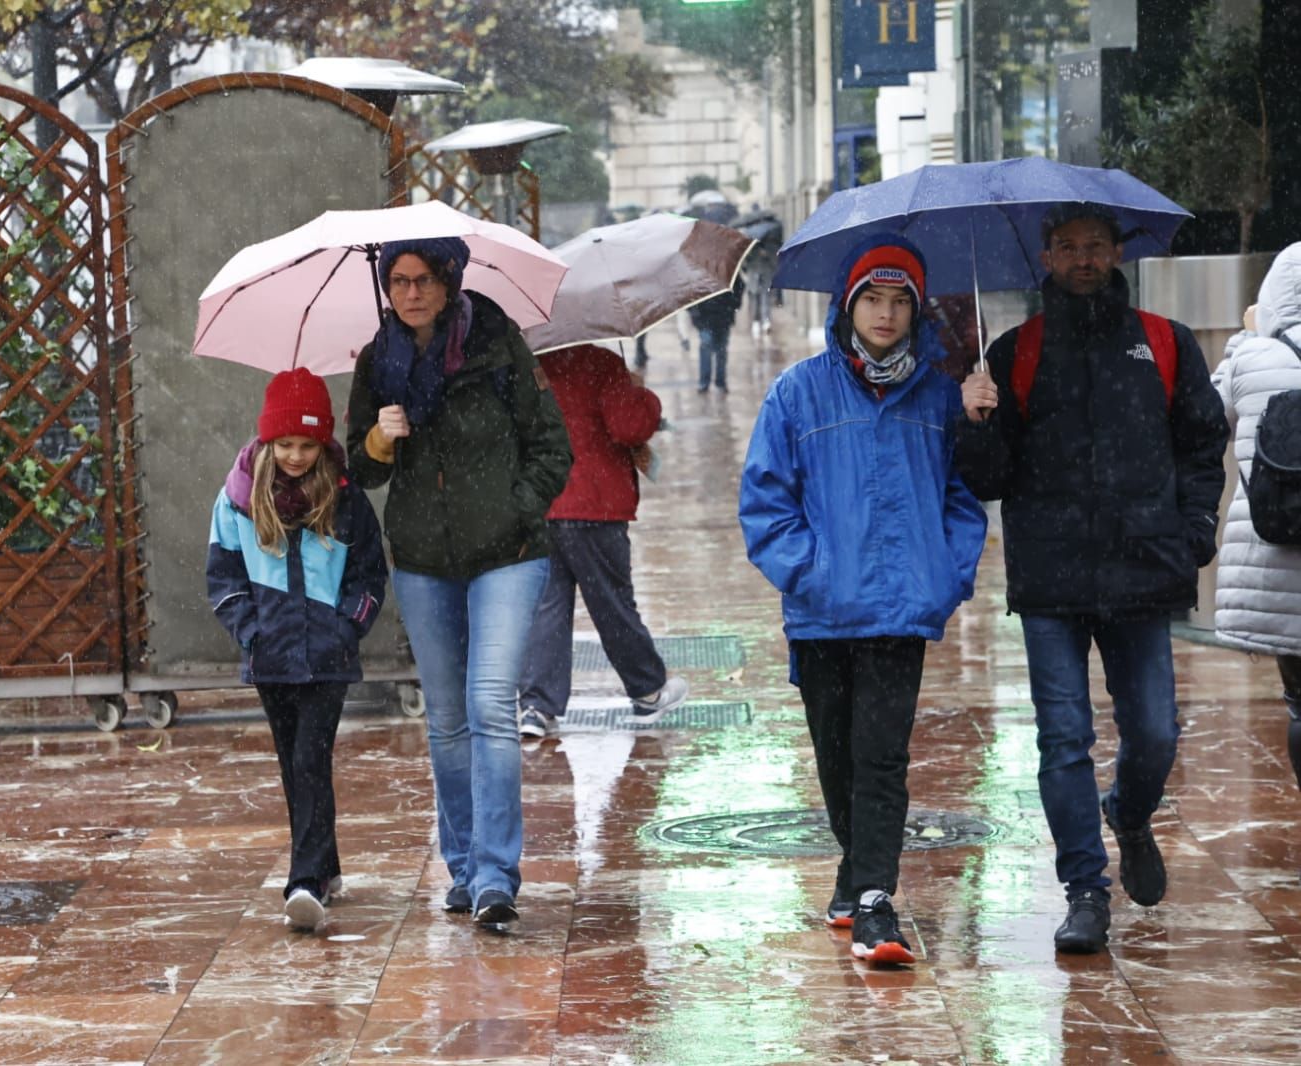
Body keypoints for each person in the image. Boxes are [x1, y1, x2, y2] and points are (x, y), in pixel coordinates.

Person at [956, 202, 1229, 954]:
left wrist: (1194, 530)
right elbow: (989, 479)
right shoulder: (1015, 352)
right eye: (1066, 246)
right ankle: (1083, 890)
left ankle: (1130, 814)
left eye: (1095, 246)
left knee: (1153, 732)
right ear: (1045, 257)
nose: (1082, 258)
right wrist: (974, 421)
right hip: (1049, 578)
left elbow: (1202, 444)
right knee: (1062, 737)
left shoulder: (1164, 343)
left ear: (1115, 253)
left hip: (1143, 569)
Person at [740, 234, 987, 966]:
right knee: (835, 755)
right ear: (848, 306)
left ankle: (875, 902)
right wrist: (807, 571)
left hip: (900, 607)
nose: (885, 314)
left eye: (899, 301)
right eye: (872, 299)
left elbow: (964, 500)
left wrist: (945, 573)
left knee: (881, 758)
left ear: (918, 312)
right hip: (821, 611)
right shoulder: (798, 392)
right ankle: (855, 874)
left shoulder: (941, 398)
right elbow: (765, 501)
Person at [346, 237, 572, 932]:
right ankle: (465, 868)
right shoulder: (378, 362)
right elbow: (360, 469)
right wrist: (381, 439)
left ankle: (498, 877)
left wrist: (515, 505)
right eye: (397, 282)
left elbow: (551, 446)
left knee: (488, 708)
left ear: (449, 283)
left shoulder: (498, 345)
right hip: (422, 559)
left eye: (422, 280)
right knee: (444, 721)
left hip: (507, 552)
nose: (409, 294)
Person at [206, 368, 388, 933]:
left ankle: (304, 880)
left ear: (323, 443)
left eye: (307, 445)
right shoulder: (238, 499)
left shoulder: (346, 497)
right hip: (271, 655)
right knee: (293, 764)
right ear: (266, 441)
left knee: (311, 757)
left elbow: (368, 573)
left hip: (327, 655)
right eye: (284, 443)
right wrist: (250, 630)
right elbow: (223, 571)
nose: (294, 455)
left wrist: (347, 627)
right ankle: (327, 866)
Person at [516, 344, 689, 739]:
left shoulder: (529, 364)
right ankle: (647, 691)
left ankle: (537, 707)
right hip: (594, 506)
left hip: (542, 504)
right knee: (611, 604)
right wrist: (641, 394)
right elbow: (627, 426)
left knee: (548, 609)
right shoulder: (601, 362)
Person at [1212, 244, 1301, 807]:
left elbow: (1206, 417)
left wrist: (1247, 337)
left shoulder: (1251, 355)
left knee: (1300, 701)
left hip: (1278, 554)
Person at [688, 276, 743, 393]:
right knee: (706, 347)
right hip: (705, 317)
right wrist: (694, 312)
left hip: (723, 316)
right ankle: (705, 381)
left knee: (721, 350)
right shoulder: (698, 272)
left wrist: (733, 304)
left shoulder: (728, 269)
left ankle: (720, 382)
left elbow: (739, 286)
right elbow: (688, 293)